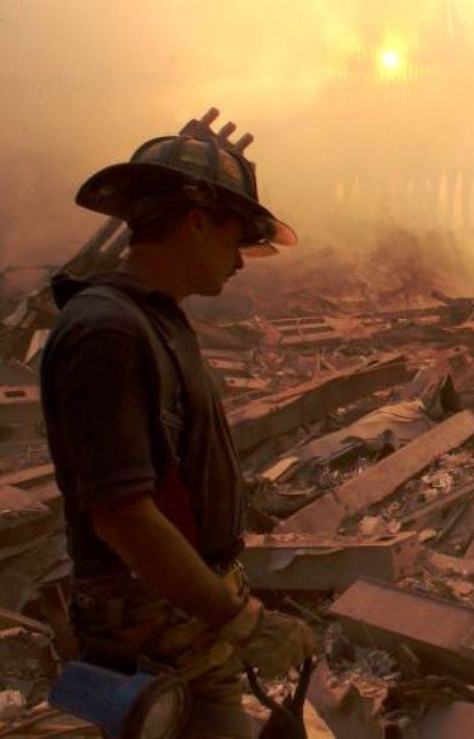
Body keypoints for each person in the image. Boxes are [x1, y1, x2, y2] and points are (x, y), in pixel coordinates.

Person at [40, 115, 315, 737]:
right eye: (235, 238)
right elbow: (123, 515)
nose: (242, 263)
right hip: (156, 633)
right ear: (195, 222)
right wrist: (241, 621)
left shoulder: (150, 321)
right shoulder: (108, 331)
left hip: (182, 621)